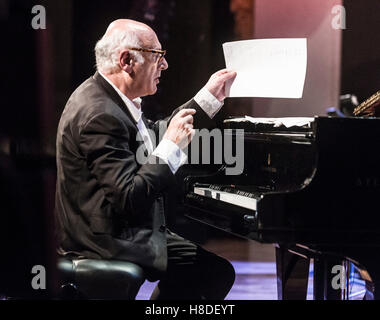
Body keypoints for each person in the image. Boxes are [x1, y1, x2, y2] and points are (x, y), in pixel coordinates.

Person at [55, 19, 237, 299]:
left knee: (212, 271)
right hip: (104, 241)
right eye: (158, 56)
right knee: (208, 272)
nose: (164, 65)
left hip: (118, 230)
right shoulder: (99, 114)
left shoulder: (110, 100)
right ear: (127, 60)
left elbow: (153, 135)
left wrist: (207, 100)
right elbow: (129, 198)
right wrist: (170, 149)